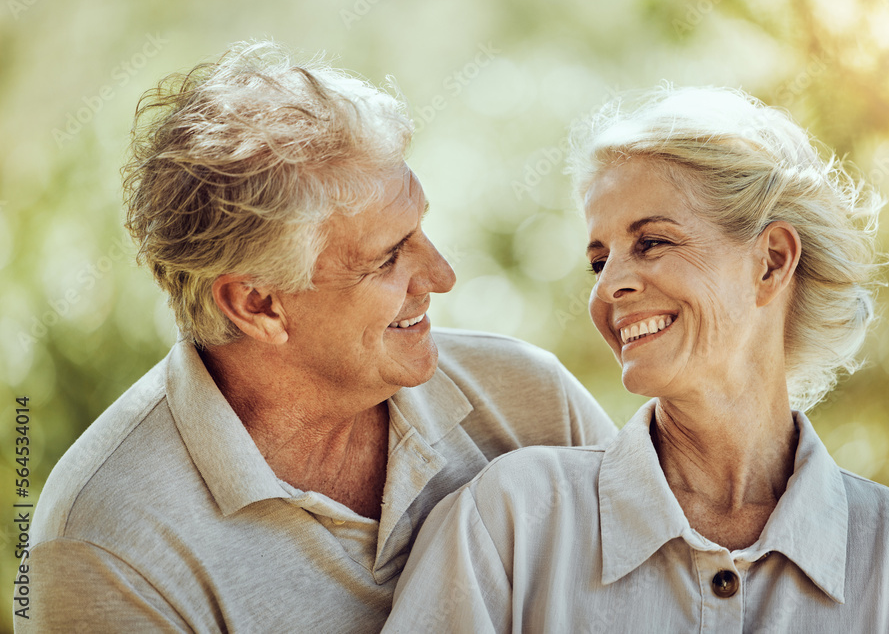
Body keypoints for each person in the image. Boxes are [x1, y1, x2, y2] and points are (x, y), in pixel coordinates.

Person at [15, 41, 616, 633]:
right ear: (258, 305)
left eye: (420, 229)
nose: (442, 276)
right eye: (387, 259)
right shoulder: (105, 544)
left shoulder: (529, 398)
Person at [384, 86, 889, 632]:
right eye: (600, 261)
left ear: (772, 261)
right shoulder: (511, 523)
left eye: (651, 243)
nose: (609, 287)